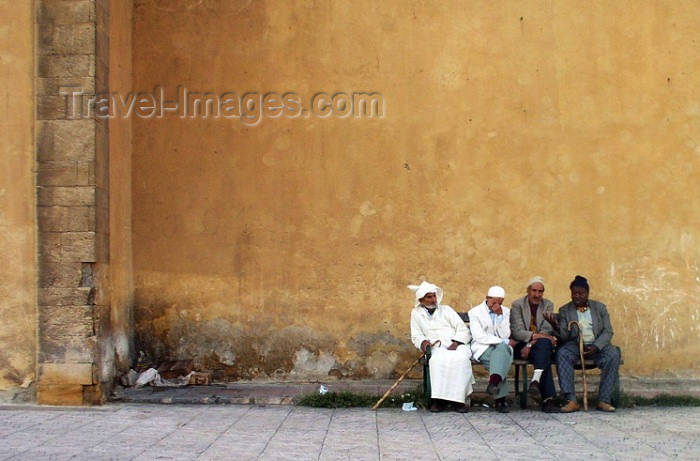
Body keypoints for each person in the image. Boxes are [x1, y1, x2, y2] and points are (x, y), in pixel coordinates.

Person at [544, 275, 621, 413]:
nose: (577, 296)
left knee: (613, 354)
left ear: (587, 293)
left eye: (581, 293)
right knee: (562, 354)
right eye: (574, 293)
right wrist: (555, 327)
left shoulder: (600, 308)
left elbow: (608, 331)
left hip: (597, 345)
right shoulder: (565, 310)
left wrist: (596, 346)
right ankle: (571, 400)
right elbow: (565, 336)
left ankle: (604, 400)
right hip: (575, 344)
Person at [409, 281, 473, 413]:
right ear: (421, 299)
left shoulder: (447, 310)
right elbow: (416, 335)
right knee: (437, 361)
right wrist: (424, 343)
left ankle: (458, 401)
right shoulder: (416, 314)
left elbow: (462, 329)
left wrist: (455, 343)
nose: (433, 299)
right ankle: (438, 401)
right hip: (435, 347)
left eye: (434, 296)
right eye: (429, 297)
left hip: (456, 344)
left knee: (461, 359)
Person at [510, 276, 560, 413]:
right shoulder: (517, 305)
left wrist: (531, 344)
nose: (537, 295)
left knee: (543, 349)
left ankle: (536, 382)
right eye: (534, 291)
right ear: (528, 291)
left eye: (540, 291)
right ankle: (547, 399)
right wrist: (531, 342)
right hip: (521, 345)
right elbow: (518, 331)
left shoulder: (547, 305)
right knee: (544, 353)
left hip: (536, 345)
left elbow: (547, 329)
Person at [468, 285, 515, 413]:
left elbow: (505, 334)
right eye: (494, 302)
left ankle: (494, 383)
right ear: (487, 298)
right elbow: (480, 337)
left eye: (500, 302)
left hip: (500, 347)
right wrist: (502, 341)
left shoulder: (505, 312)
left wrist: (499, 316)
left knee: (498, 357)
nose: (496, 305)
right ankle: (500, 400)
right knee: (501, 357)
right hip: (483, 347)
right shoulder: (475, 312)